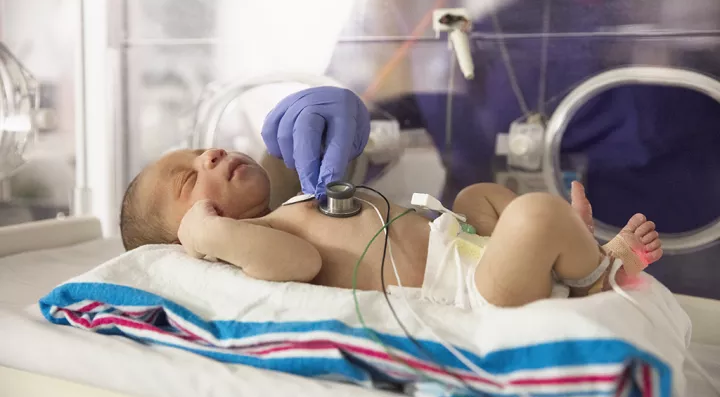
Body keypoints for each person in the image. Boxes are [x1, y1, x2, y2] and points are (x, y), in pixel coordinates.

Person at [119, 147, 662, 308]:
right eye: (188, 179)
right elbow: (298, 264)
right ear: (186, 233)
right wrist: (209, 239)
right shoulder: (248, 249)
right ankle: (593, 273)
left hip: (461, 241)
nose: (210, 155)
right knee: (534, 214)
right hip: (471, 290)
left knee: (479, 197)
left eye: (200, 150)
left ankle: (563, 249)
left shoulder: (288, 203)